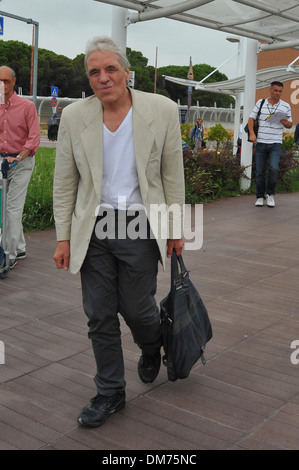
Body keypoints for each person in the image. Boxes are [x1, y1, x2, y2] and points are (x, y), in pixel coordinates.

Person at [53, 37, 185, 428]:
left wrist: (176, 230)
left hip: (140, 225)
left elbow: (171, 176)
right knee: (98, 314)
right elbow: (65, 181)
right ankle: (110, 391)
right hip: (92, 227)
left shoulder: (161, 110)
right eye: (94, 71)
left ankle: (152, 342)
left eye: (110, 69)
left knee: (137, 308)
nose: (103, 77)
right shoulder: (76, 116)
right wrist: (63, 237)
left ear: (127, 72)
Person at [0, 66, 40, 268]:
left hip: (21, 162)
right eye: (0, 81)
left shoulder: (26, 106)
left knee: (12, 209)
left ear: (14, 82)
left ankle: (10, 254)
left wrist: (18, 157)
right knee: (6, 207)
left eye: (7, 81)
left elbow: (34, 138)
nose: (3, 85)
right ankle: (21, 245)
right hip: (1, 162)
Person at [248, 81, 292, 208]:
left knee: (273, 169)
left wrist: (285, 122)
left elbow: (290, 124)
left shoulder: (285, 106)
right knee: (260, 171)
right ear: (270, 90)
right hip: (261, 141)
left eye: (280, 91)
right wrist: (252, 133)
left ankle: (270, 195)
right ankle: (260, 197)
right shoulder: (261, 103)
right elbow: (251, 119)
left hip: (275, 143)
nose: (278, 93)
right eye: (276, 91)